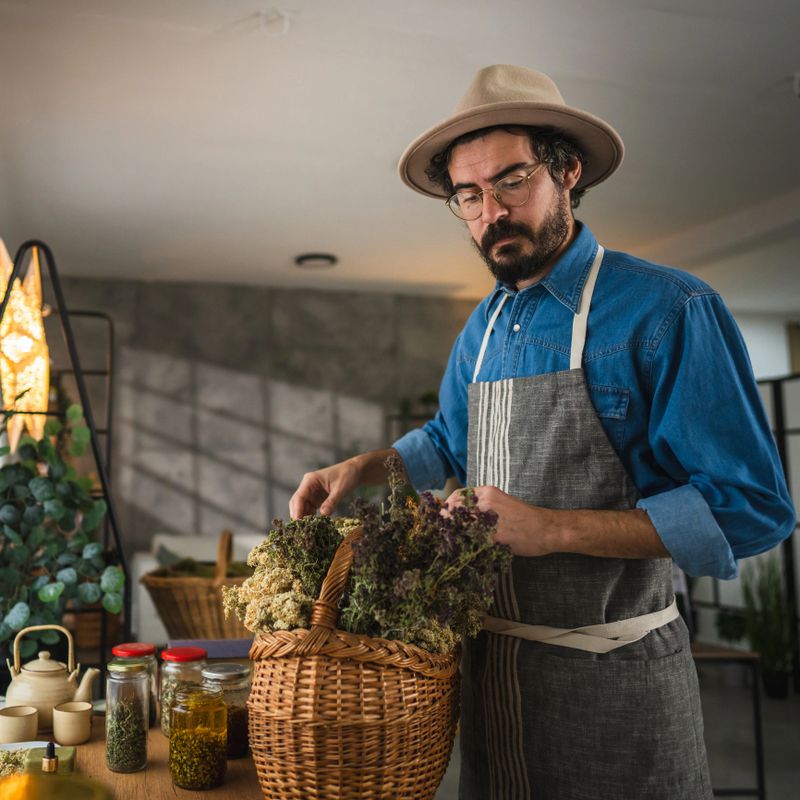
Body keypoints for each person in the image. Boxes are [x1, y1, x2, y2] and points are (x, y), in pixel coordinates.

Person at [290, 65, 795, 799]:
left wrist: (551, 530)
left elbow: (752, 508)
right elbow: (450, 441)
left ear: (567, 171)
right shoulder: (484, 324)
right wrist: (363, 467)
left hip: (616, 685)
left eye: (512, 181)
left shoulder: (669, 310)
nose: (491, 211)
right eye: (469, 195)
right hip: (493, 685)